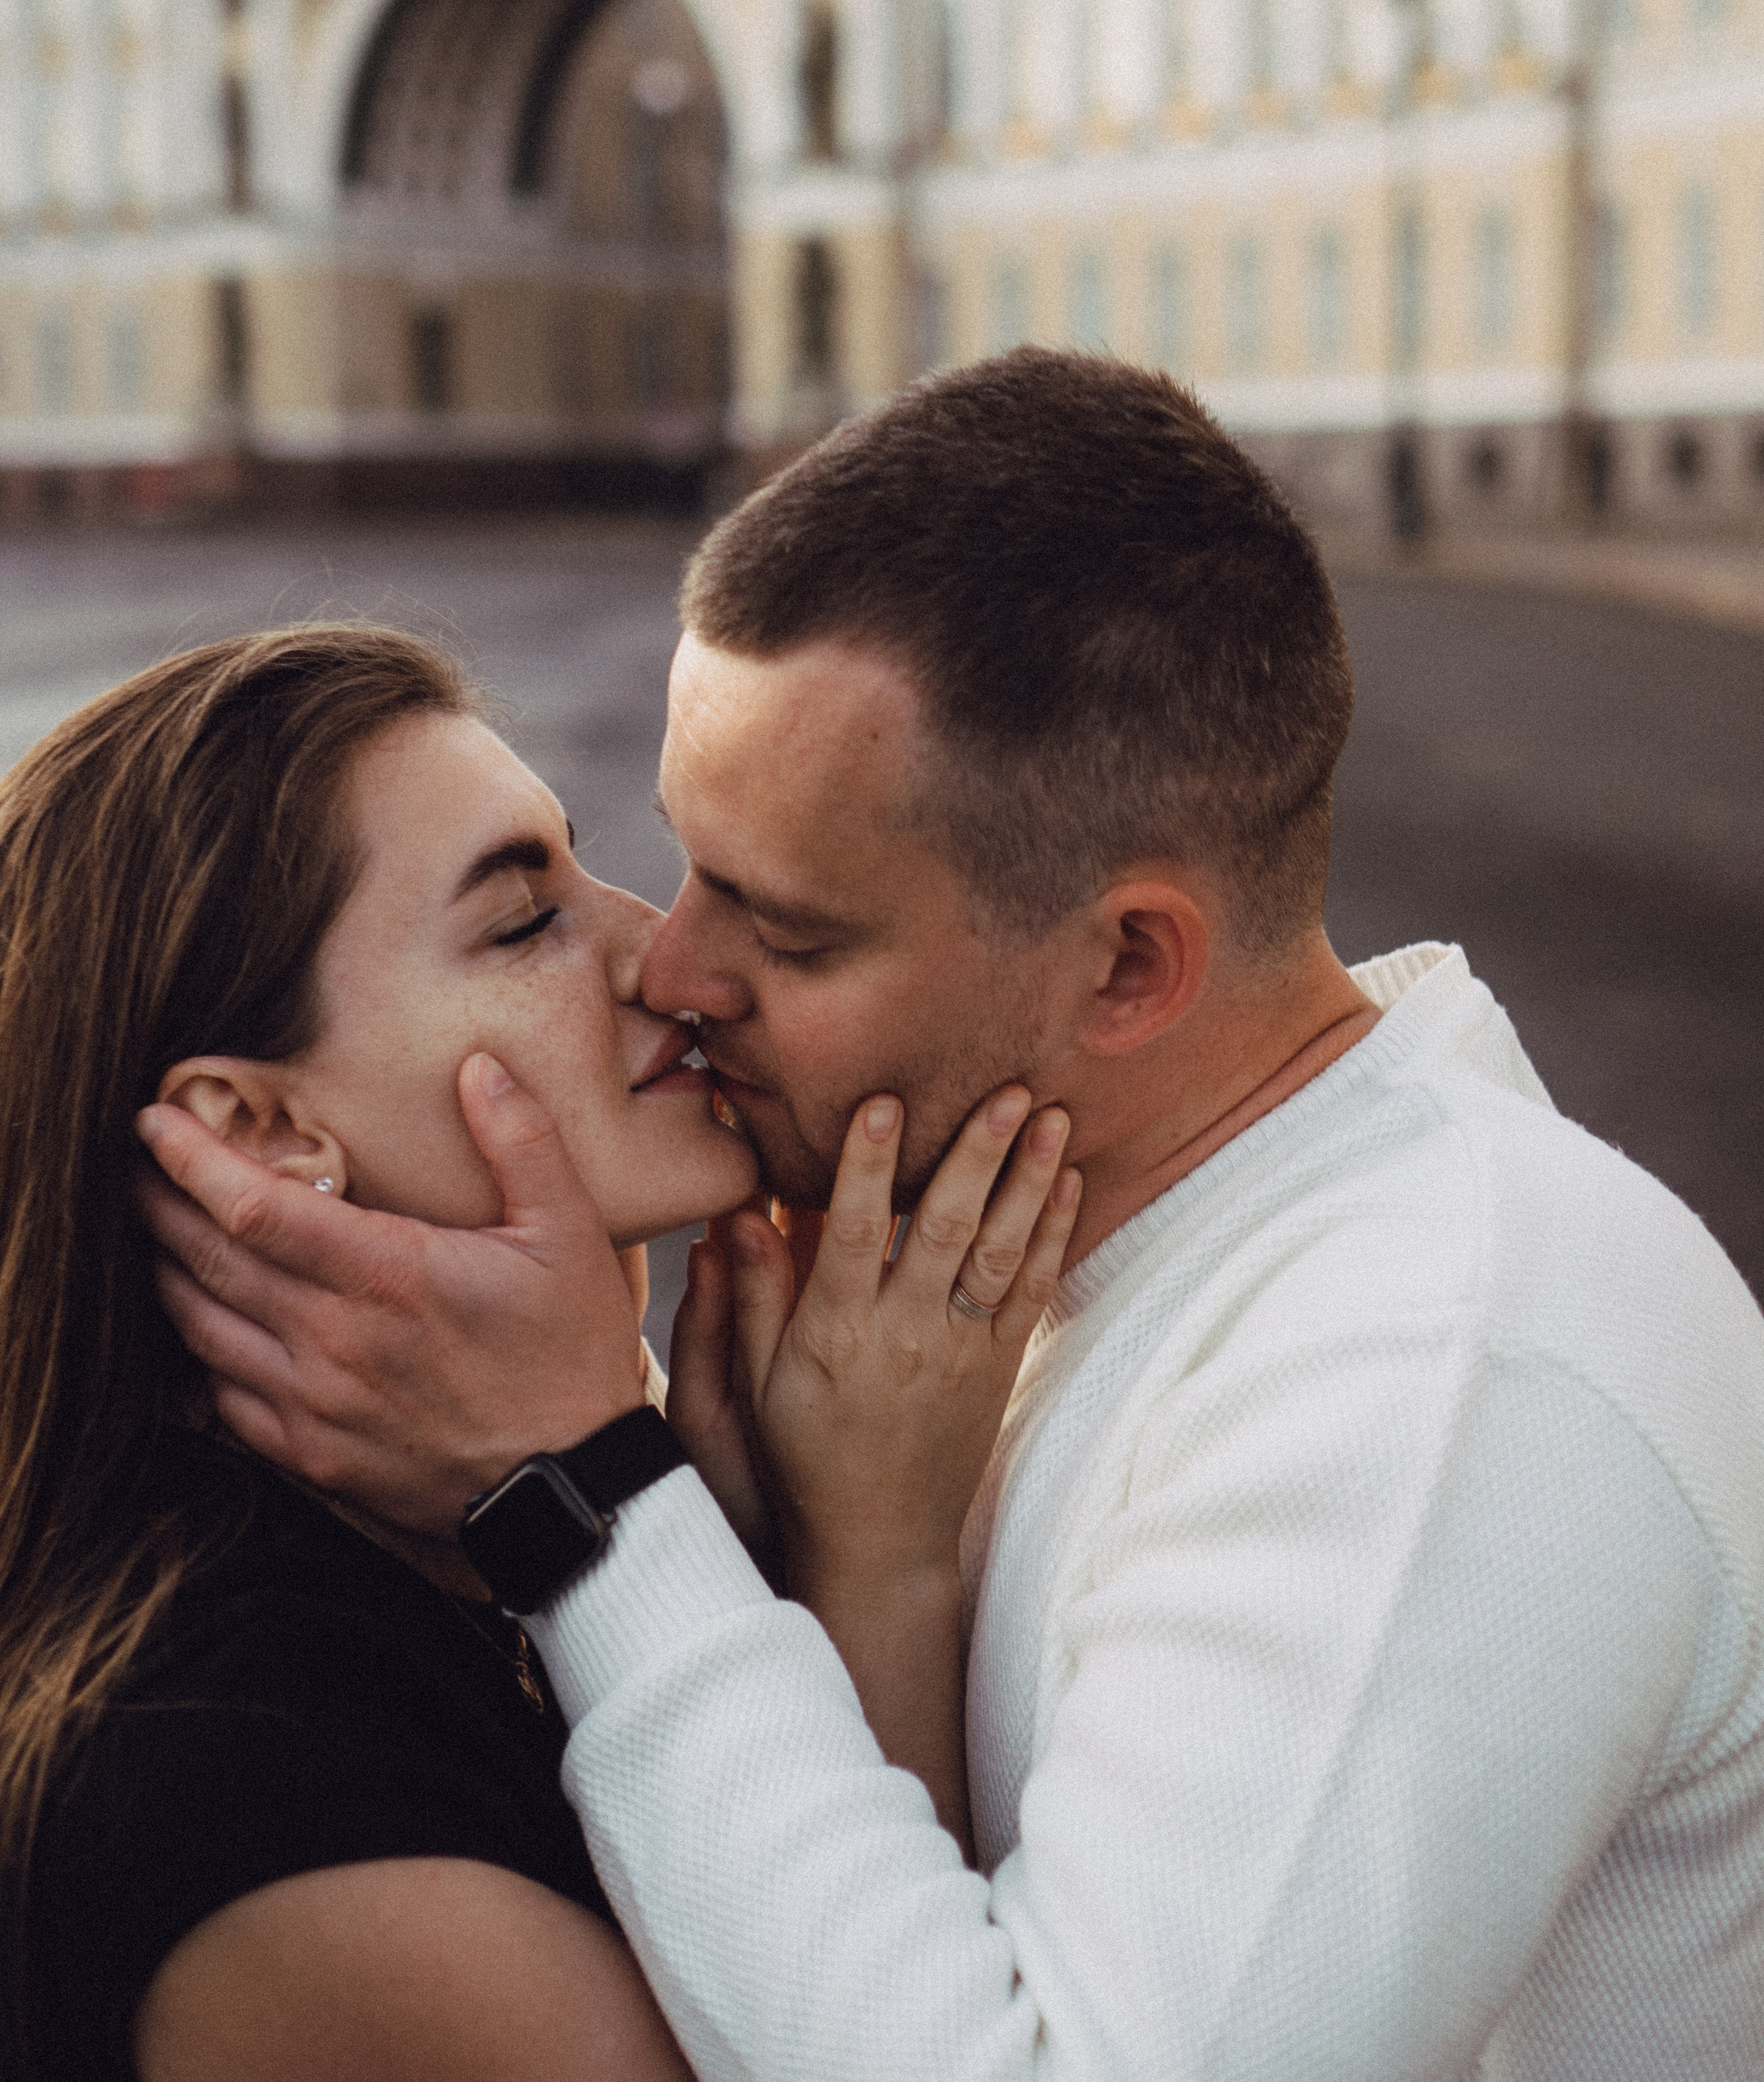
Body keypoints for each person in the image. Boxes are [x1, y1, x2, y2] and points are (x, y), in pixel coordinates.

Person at [147, 352, 1764, 2081]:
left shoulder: (1442, 1361)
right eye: (684, 860)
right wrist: (837, 1560)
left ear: (1128, 966)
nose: (674, 970)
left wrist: (585, 1500)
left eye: (791, 929)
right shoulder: (988, 1289)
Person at [3, 624, 1067, 2082]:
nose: (669, 958)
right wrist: (856, 1554)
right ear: (257, 1135)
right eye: (523, 923)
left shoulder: (404, 1573)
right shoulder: (253, 1793)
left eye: (582, 869)